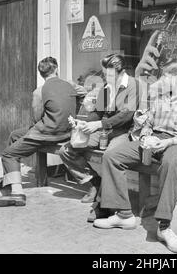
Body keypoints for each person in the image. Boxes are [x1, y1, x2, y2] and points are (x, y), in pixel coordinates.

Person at [92, 60, 177, 254]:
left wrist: (166, 143)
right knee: (112, 155)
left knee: (170, 162)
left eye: (165, 76)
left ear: (176, 78)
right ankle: (124, 214)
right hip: (154, 139)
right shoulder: (159, 98)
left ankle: (164, 227)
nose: (162, 79)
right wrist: (145, 136)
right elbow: (149, 123)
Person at [0, 57, 77, 207]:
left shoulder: (40, 91)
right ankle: (8, 179)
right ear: (56, 69)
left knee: (9, 154)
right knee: (14, 135)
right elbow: (79, 94)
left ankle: (17, 194)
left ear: (41, 73)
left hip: (47, 134)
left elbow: (36, 118)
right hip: (66, 132)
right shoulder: (70, 85)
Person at [59, 54, 140, 203]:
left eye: (109, 74)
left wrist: (98, 125)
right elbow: (97, 113)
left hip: (123, 132)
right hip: (104, 130)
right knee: (67, 150)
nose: (105, 77)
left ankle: (106, 202)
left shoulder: (133, 85)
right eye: (104, 73)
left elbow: (126, 115)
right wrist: (83, 123)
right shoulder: (106, 87)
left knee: (111, 156)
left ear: (121, 72)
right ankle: (94, 183)